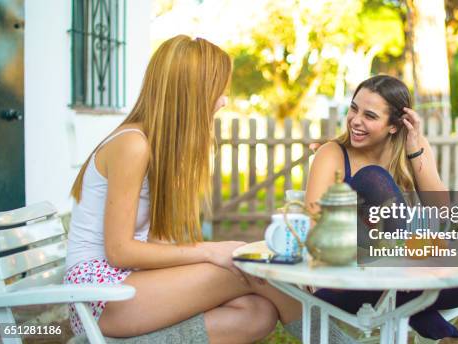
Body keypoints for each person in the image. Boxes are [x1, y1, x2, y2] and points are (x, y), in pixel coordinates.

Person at [64, 35, 312, 343]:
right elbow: (119, 251)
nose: (223, 100)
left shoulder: (156, 146)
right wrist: (210, 251)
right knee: (257, 273)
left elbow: (155, 241)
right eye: (218, 88)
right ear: (191, 91)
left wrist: (212, 256)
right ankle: (336, 339)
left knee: (256, 314)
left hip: (128, 284)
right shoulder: (133, 144)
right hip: (97, 293)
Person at [305, 75, 458, 340]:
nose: (355, 120)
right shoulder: (332, 153)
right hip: (348, 280)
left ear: (395, 126)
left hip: (406, 273)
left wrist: (415, 150)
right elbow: (313, 223)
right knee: (373, 178)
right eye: (354, 109)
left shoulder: (414, 148)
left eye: (370, 116)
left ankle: (410, 306)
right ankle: (417, 308)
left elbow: (440, 210)